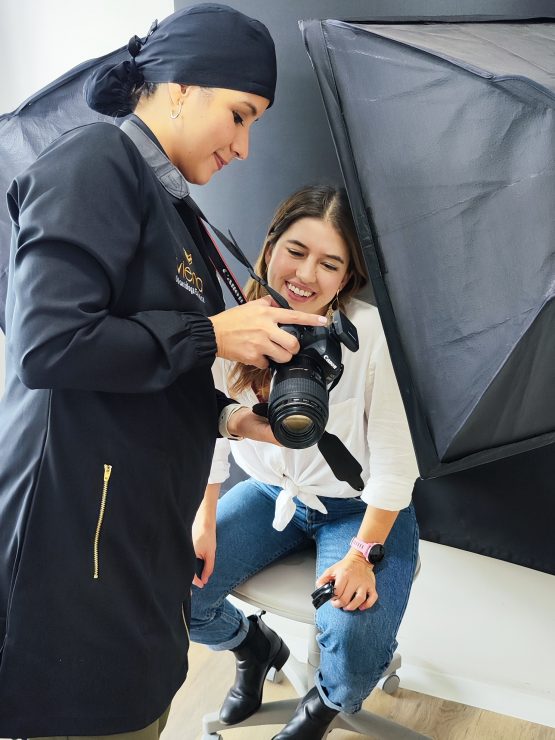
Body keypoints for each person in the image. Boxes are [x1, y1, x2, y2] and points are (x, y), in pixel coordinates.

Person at [0, 5, 329, 738]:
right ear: (179, 89)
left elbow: (142, 363)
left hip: (136, 538)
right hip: (75, 548)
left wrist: (225, 417)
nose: (245, 147)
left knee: (138, 706)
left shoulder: (175, 208)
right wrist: (211, 332)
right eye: (240, 116)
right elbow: (48, 344)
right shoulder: (95, 163)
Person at [190, 184, 420, 739]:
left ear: (346, 278)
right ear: (269, 247)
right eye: (296, 250)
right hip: (272, 495)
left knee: (354, 632)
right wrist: (203, 515)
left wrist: (364, 554)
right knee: (177, 586)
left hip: (358, 511)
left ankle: (322, 706)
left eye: (330, 263)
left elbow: (397, 464)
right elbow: (209, 429)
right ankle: (254, 647)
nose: (306, 274)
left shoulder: (369, 335)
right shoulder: (230, 326)